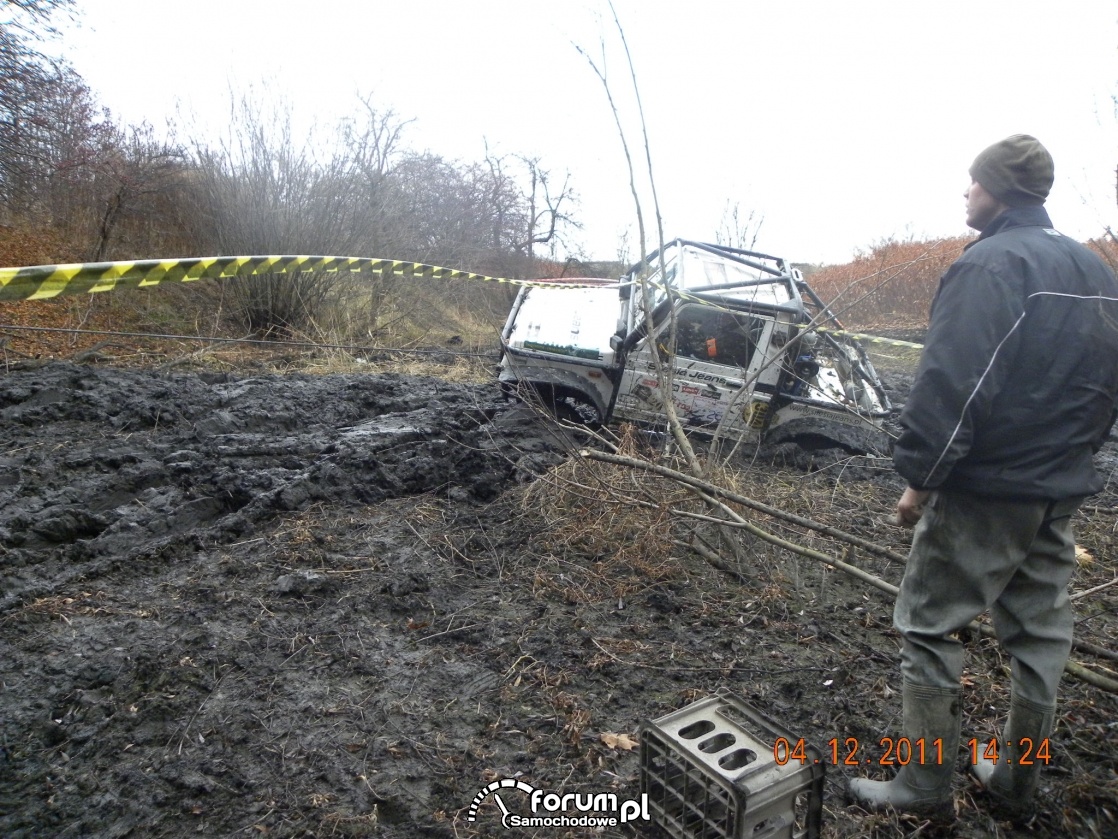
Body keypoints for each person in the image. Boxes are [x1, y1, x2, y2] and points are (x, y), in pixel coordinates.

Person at [847, 135, 1118, 819]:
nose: (965, 192)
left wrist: (919, 482)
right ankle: (1016, 780)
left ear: (999, 190)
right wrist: (1074, 461)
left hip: (987, 490)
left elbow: (953, 387)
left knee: (929, 626)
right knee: (1040, 638)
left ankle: (924, 783)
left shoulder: (990, 266)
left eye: (973, 181)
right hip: (1059, 490)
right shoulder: (1097, 272)